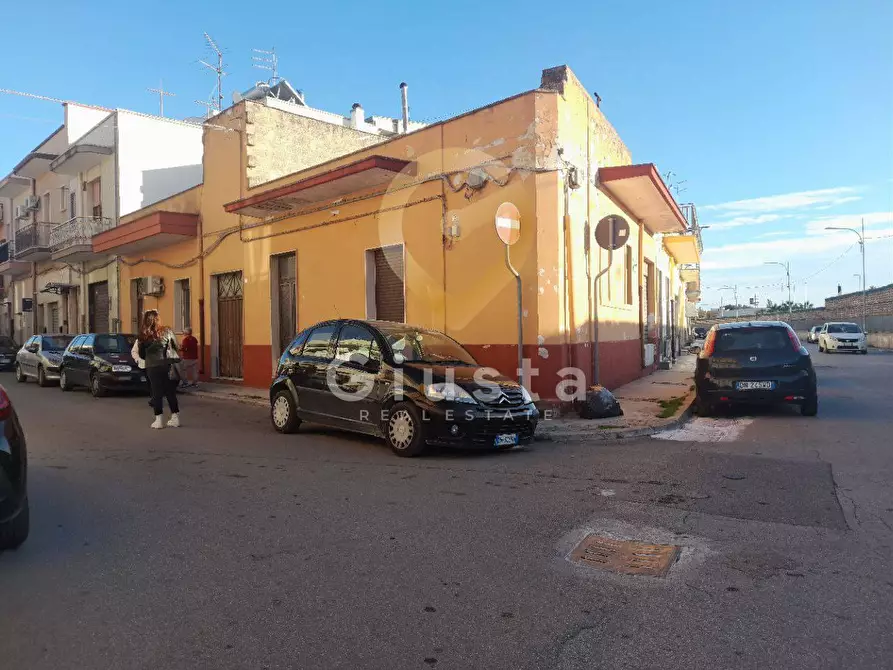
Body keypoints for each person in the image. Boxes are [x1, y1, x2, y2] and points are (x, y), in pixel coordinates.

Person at [138, 311, 181, 429]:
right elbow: (177, 346)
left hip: (152, 366)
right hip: (167, 365)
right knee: (170, 392)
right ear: (158, 319)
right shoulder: (167, 331)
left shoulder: (144, 334)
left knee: (156, 393)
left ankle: (159, 420)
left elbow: (141, 354)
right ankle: (175, 418)